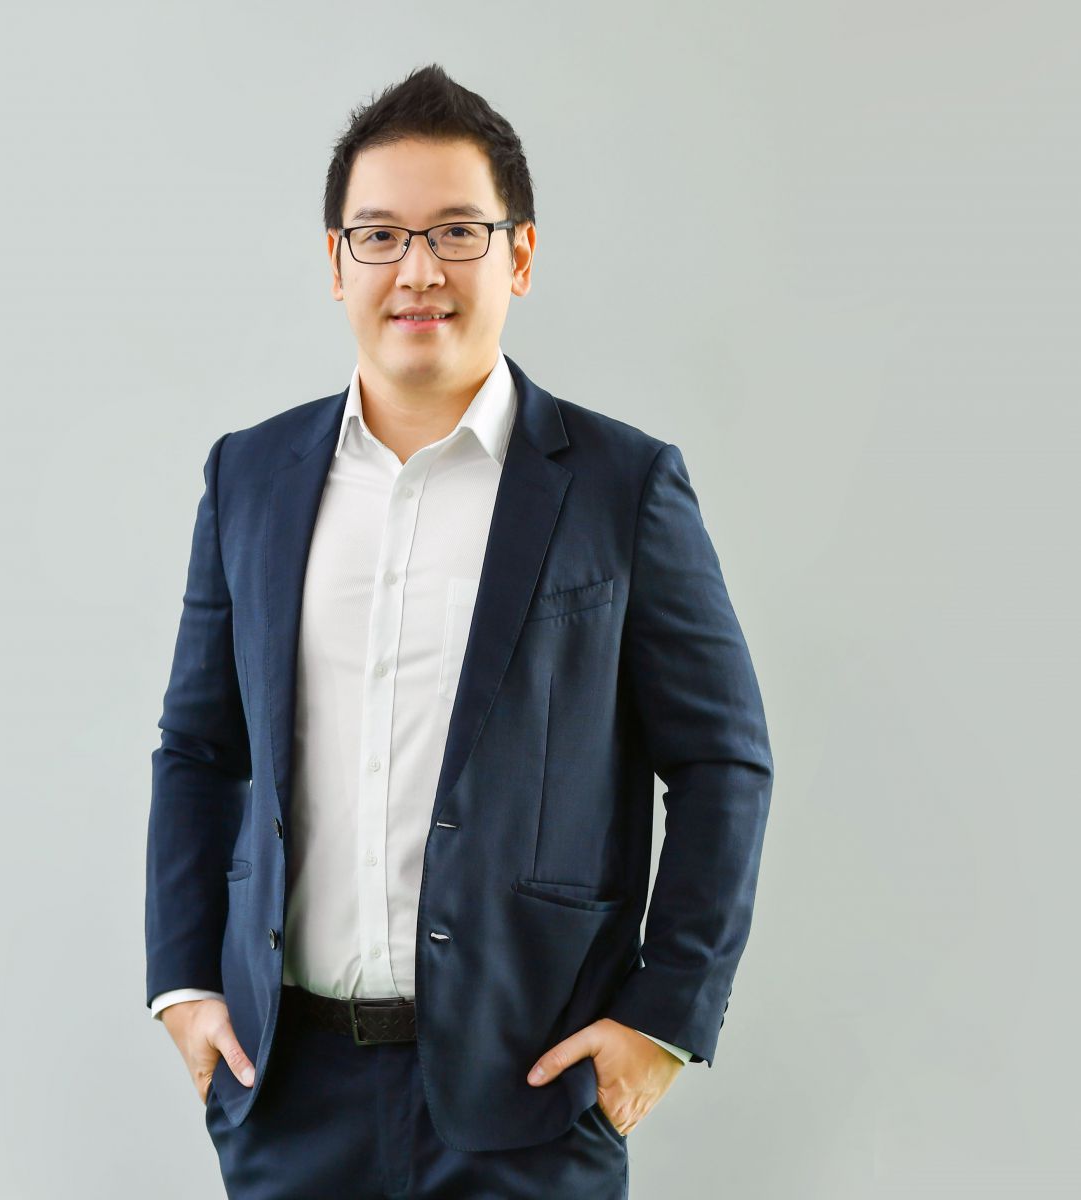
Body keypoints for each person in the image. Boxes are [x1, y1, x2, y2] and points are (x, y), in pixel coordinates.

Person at [144, 63, 774, 1199]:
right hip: (287, 1091)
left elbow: (722, 760)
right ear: (335, 261)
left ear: (518, 255)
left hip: (530, 1096)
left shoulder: (621, 487)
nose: (418, 270)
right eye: (380, 236)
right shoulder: (250, 478)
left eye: (456, 233)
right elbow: (199, 747)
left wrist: (662, 1019)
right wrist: (185, 988)